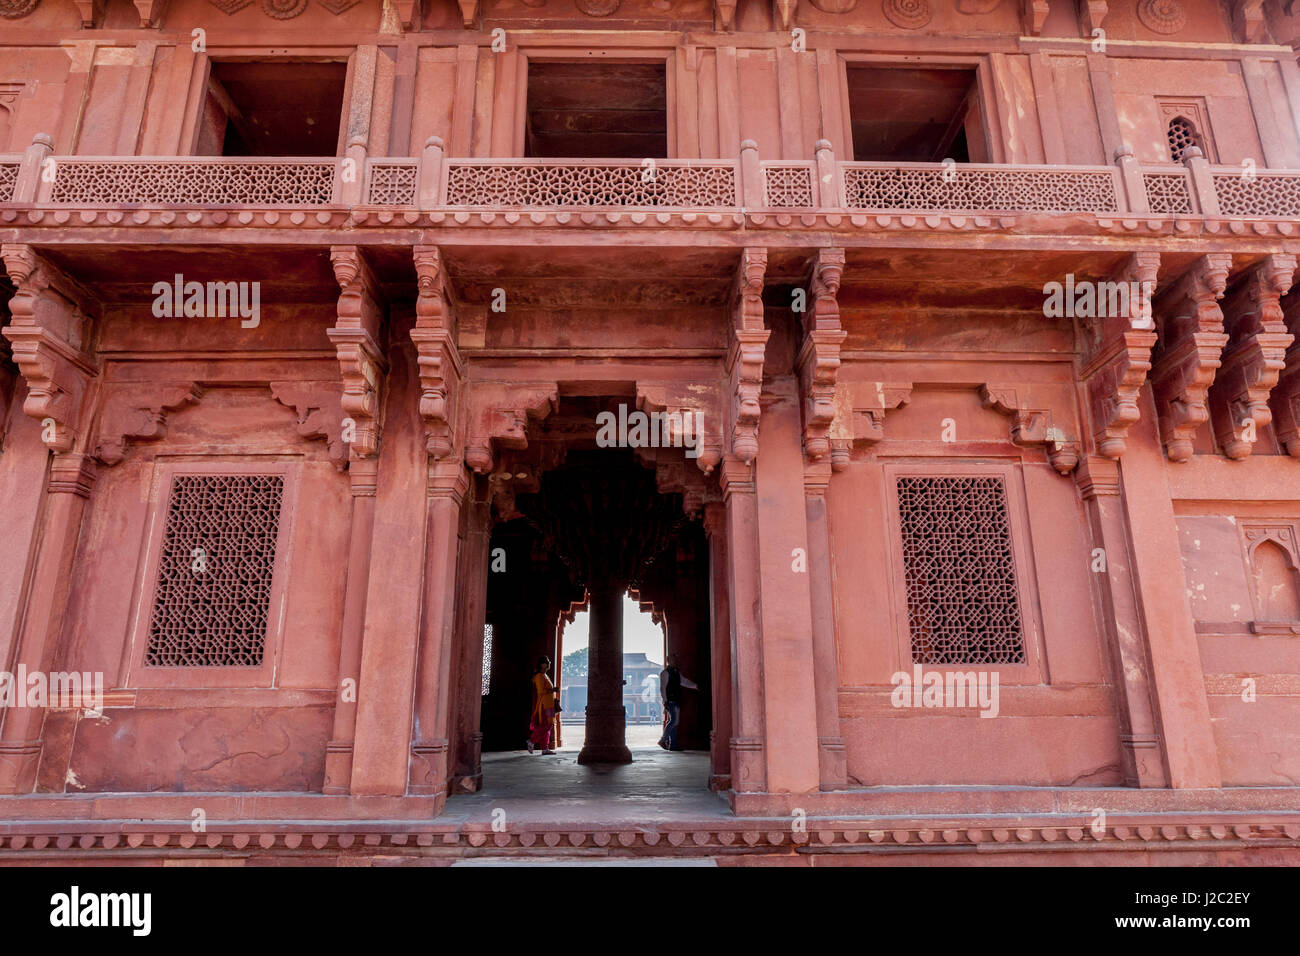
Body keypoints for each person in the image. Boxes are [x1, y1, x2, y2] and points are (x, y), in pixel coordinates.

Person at [657, 653, 697, 752]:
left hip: (677, 699)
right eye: (672, 660)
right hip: (670, 700)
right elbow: (663, 688)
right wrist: (665, 701)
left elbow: (683, 681)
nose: (674, 662)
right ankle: (663, 740)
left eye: (675, 660)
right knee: (674, 721)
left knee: (674, 723)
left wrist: (695, 686)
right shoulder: (665, 673)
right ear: (668, 661)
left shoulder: (676, 672)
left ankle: (673, 745)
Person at [528, 655, 559, 755]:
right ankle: (532, 740)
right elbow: (541, 691)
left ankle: (545, 748)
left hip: (549, 704)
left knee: (548, 726)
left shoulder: (545, 675)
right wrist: (553, 690)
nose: (549, 663)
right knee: (547, 724)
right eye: (547, 662)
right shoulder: (539, 676)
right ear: (542, 665)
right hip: (544, 704)